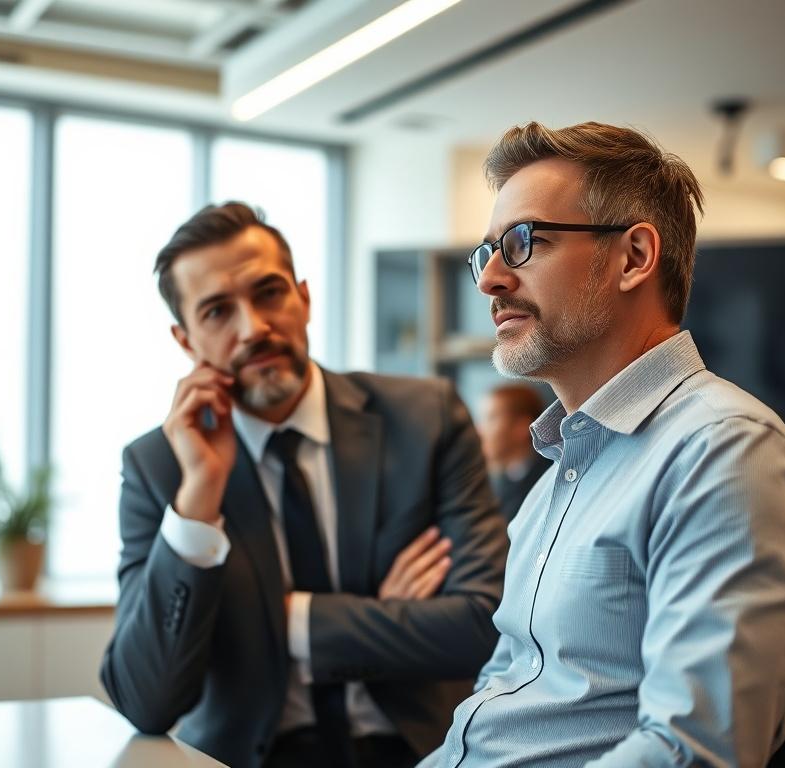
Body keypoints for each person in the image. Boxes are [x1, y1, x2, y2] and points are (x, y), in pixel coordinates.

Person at [419, 122, 785, 767]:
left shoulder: (725, 455)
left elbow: (692, 753)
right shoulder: (561, 472)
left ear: (636, 257)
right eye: (487, 253)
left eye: (524, 243)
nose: (490, 281)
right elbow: (498, 703)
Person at [100, 202, 508, 768]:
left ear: (304, 298)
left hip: (417, 752)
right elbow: (146, 700)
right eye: (218, 311)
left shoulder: (425, 419)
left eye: (269, 293)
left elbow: (484, 626)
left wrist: (295, 620)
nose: (254, 327)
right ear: (186, 341)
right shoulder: (160, 466)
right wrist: (199, 494)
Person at [478, 384, 550, 522]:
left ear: (521, 427)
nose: (480, 431)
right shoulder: (494, 482)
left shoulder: (546, 483)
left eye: (491, 419)